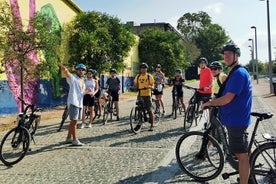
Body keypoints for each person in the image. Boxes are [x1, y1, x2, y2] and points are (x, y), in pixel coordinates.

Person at [202, 42, 252, 184]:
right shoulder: (234, 72)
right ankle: (250, 174)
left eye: (229, 54)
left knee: (241, 156)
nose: (226, 56)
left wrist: (210, 103)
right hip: (235, 119)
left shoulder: (238, 74)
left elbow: (228, 98)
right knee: (244, 150)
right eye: (225, 54)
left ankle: (245, 181)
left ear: (237, 55)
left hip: (236, 120)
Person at [61, 63, 91, 146]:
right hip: (73, 102)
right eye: (79, 70)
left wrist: (87, 91)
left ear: (84, 72)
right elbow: (68, 74)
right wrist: (65, 70)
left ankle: (68, 138)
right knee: (74, 122)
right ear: (76, 71)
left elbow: (81, 93)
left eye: (82, 70)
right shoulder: (73, 79)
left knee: (73, 122)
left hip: (79, 103)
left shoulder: (83, 81)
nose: (81, 71)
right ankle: (74, 139)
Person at [131, 62, 155, 131]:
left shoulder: (149, 76)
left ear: (146, 69)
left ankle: (152, 124)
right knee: (139, 109)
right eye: (142, 68)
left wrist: (150, 87)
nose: (143, 69)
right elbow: (135, 85)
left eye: (144, 68)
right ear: (140, 69)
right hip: (140, 94)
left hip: (147, 94)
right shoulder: (138, 76)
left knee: (149, 109)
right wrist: (132, 87)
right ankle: (139, 123)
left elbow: (153, 85)